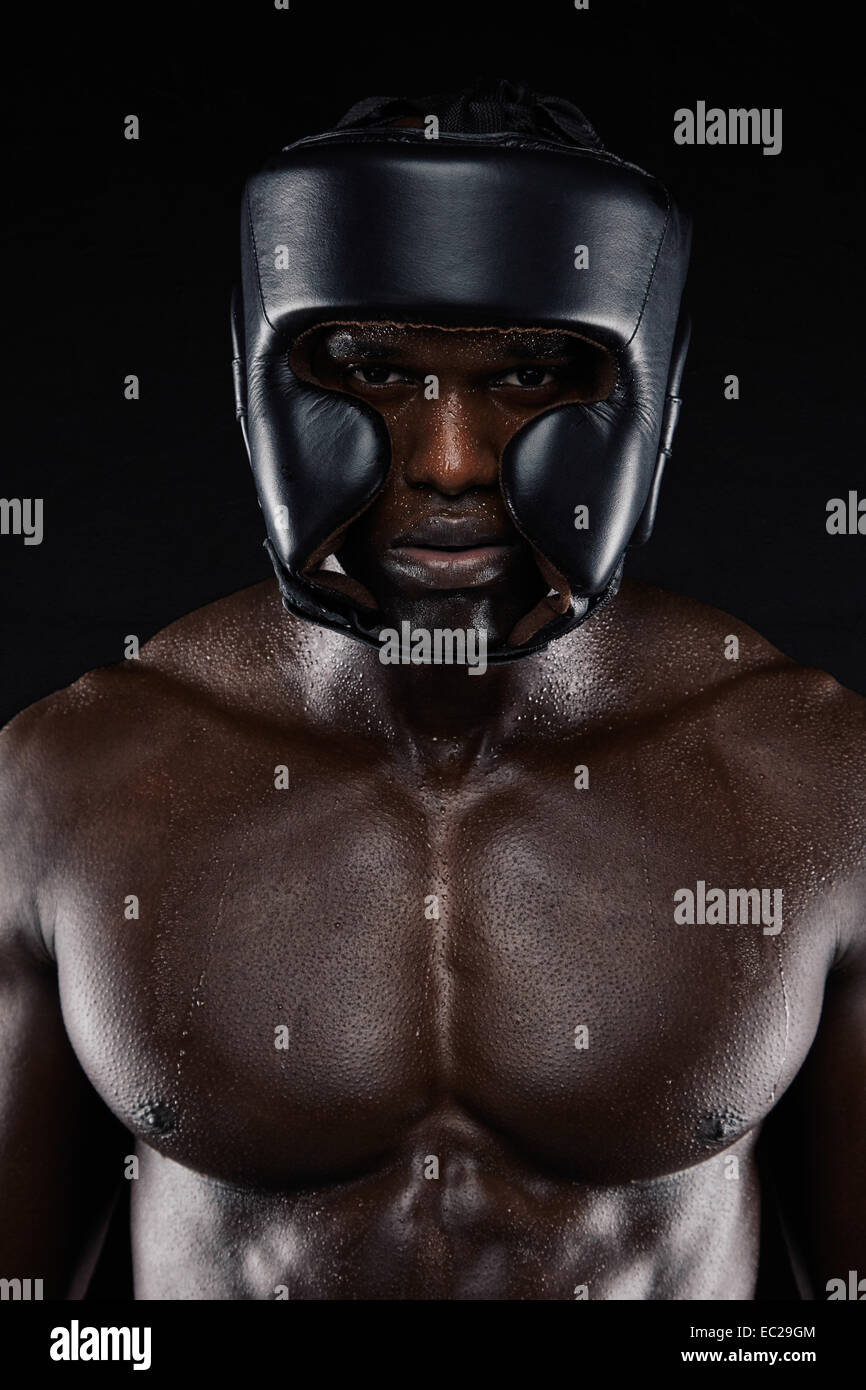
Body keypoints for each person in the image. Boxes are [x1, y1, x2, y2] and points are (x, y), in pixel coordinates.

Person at [1, 80, 863, 1301]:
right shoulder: (65, 784)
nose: (450, 462)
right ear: (261, 387)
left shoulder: (817, 783)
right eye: (364, 368)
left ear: (647, 395)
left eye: (530, 374)